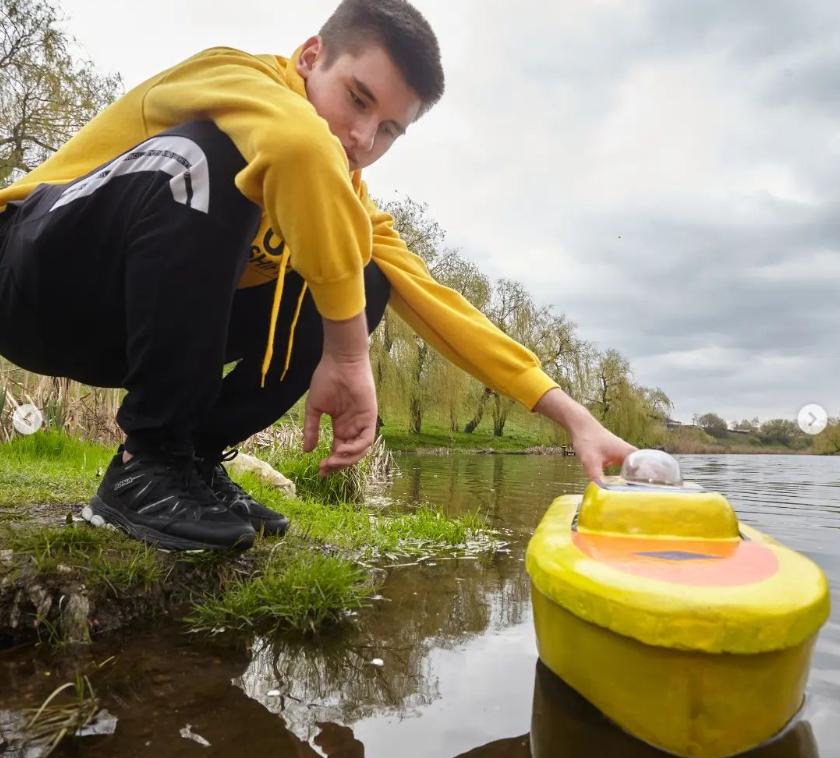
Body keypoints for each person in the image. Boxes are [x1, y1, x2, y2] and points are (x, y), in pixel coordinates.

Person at [0, 0, 635, 552]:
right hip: (30, 275)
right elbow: (298, 146)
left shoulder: (348, 201)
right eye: (357, 98)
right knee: (217, 155)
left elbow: (442, 306)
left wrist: (574, 417)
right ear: (310, 57)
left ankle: (189, 459)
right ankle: (150, 459)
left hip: (123, 330)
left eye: (389, 129)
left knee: (368, 271)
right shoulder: (232, 76)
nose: (362, 137)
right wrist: (350, 352)